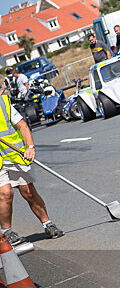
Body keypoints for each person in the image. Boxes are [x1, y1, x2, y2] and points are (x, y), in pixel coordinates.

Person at [0, 93, 64, 246]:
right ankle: (7, 232)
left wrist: (30, 148)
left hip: (14, 155)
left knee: (28, 192)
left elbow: (22, 126)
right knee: (5, 193)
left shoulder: (3, 104)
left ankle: (48, 224)